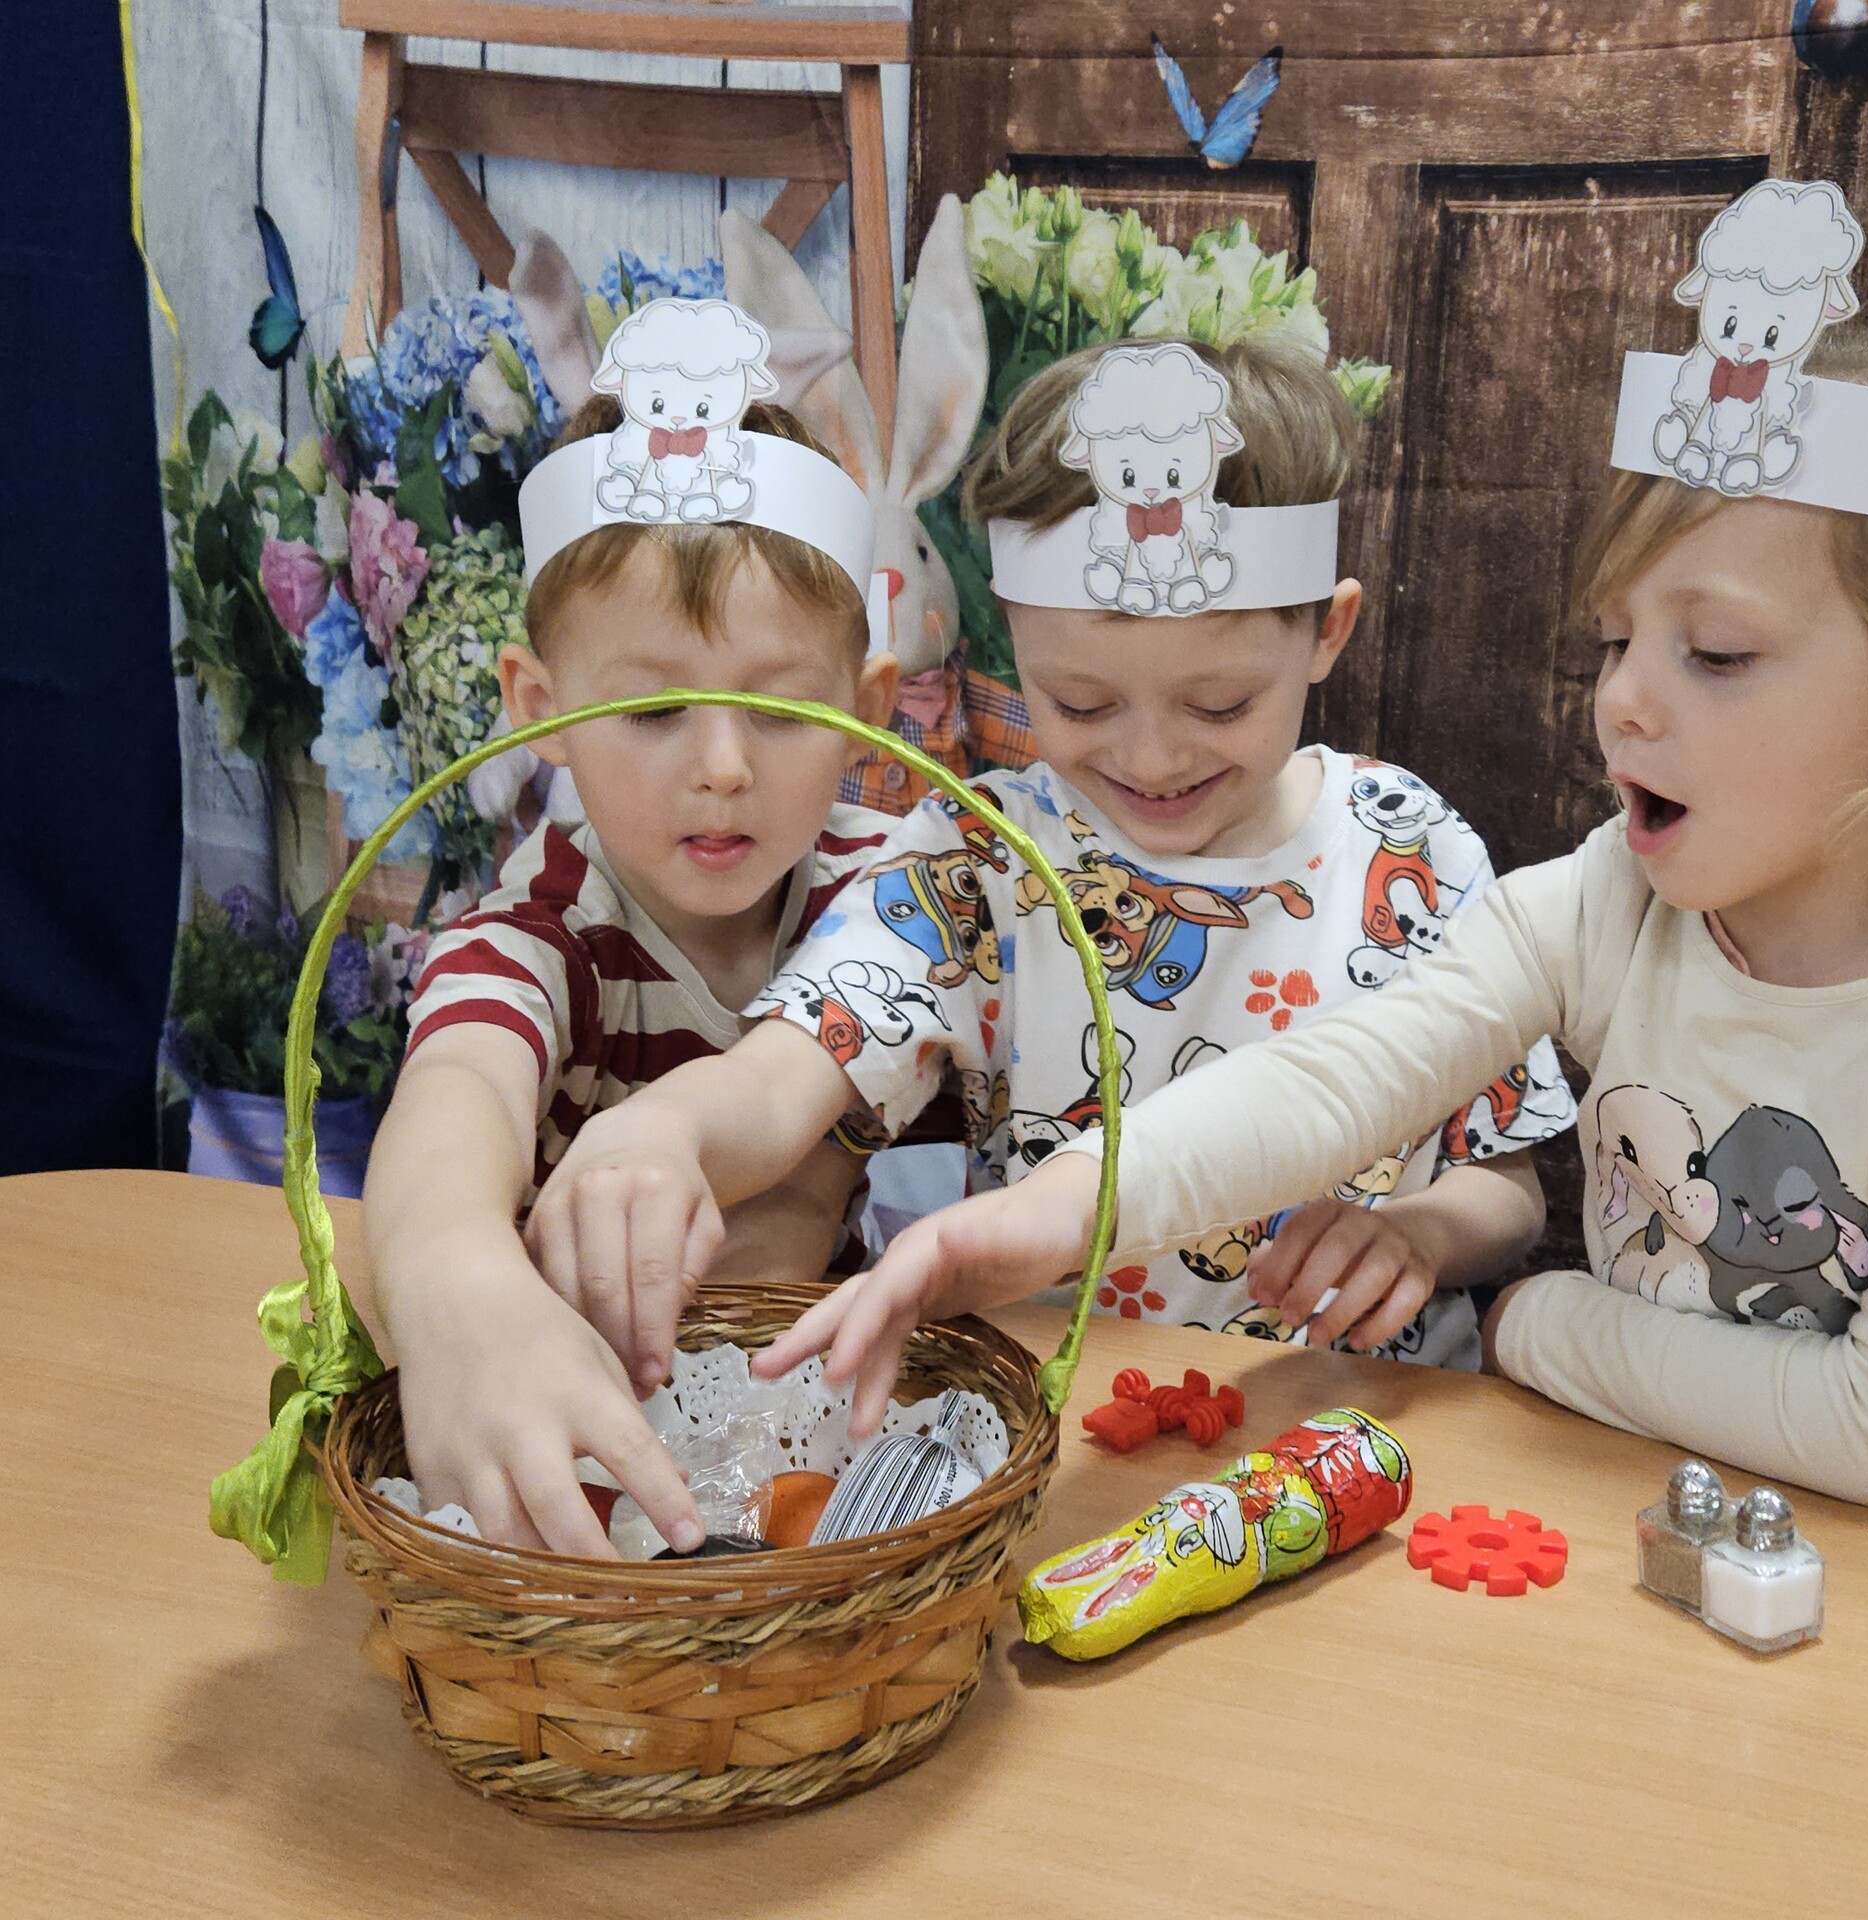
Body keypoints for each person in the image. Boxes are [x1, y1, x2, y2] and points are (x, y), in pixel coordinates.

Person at [773, 287, 1868, 1505]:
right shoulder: (1608, 899)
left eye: (1715, 655)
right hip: (1686, 1495)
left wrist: (1535, 1321)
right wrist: (1040, 1218)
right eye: (1619, 640)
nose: (1622, 701)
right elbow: (1332, 1084)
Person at [526, 333, 1575, 1419]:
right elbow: (790, 1071)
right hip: (1072, 1420)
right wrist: (666, 1128)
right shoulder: (979, 858)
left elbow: (1508, 1188)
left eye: (1219, 706)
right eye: (1080, 704)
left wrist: (1418, 1234)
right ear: (1012, 635)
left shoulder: (1410, 849)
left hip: (1362, 1427)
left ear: (1327, 631)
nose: (1152, 757)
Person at [365, 298, 901, 1556]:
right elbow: (459, 1092)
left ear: (870, 710)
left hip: (827, 1443)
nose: (722, 768)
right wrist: (450, 1276)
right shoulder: (543, 935)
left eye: (782, 712)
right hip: (586, 1427)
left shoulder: (891, 900)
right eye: (654, 713)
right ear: (538, 707)